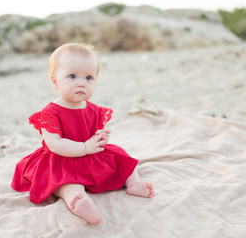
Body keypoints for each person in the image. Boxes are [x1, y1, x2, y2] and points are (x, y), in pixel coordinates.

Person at [11, 43, 154, 225]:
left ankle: (133, 183)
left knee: (121, 157)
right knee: (66, 183)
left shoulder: (94, 110)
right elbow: (55, 144)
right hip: (61, 160)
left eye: (89, 77)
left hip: (89, 156)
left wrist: (99, 140)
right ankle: (77, 200)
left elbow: (92, 134)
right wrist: (85, 147)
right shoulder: (50, 113)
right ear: (55, 81)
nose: (81, 83)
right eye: (72, 76)